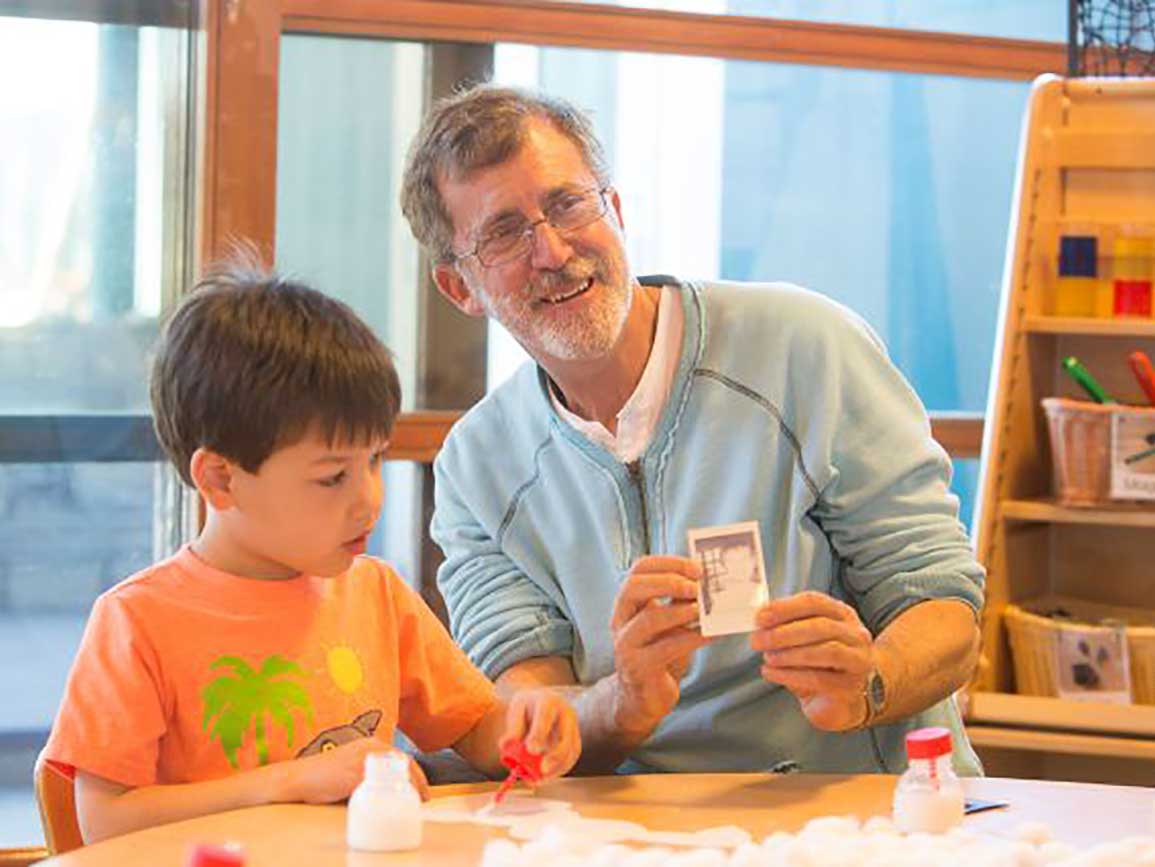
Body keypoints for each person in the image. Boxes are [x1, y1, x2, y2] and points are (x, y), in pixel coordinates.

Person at [399, 84, 985, 776]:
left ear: (613, 210)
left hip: (861, 812)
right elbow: (525, 705)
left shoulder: (803, 346)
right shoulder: (478, 465)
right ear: (459, 288)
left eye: (566, 205)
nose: (552, 251)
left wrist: (868, 681)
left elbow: (945, 609)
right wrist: (622, 702)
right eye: (503, 232)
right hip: (637, 833)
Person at [41, 259, 581, 844]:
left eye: (374, 460)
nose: (368, 499)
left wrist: (526, 724)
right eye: (332, 478)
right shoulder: (137, 621)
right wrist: (288, 781)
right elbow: (104, 820)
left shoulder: (374, 593)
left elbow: (475, 724)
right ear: (221, 480)